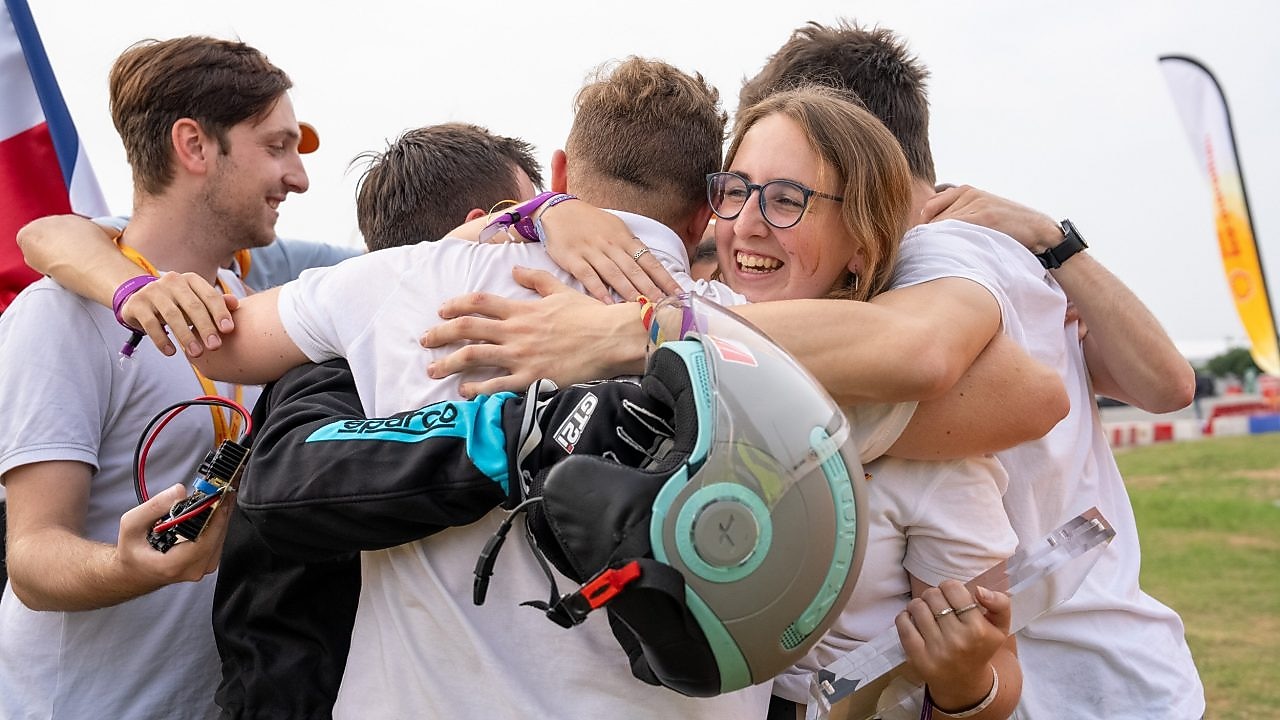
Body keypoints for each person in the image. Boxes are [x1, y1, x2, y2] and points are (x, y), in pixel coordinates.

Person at [739, 20, 1203, 719]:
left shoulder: (932, 260)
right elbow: (1166, 386)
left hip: (1048, 677)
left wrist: (647, 330)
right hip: (1127, 663)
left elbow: (925, 361)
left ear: (849, 141)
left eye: (791, 178)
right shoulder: (1007, 254)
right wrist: (1054, 242)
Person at [0, 35, 310, 719]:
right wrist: (127, 568)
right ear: (195, 146)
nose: (298, 177)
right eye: (277, 146)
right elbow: (31, 560)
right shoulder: (60, 315)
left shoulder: (256, 304)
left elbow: (410, 252)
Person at [213, 121, 544, 719]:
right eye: (534, 226)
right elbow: (287, 479)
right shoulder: (337, 365)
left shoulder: (466, 354)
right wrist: (528, 431)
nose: (548, 250)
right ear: (485, 230)